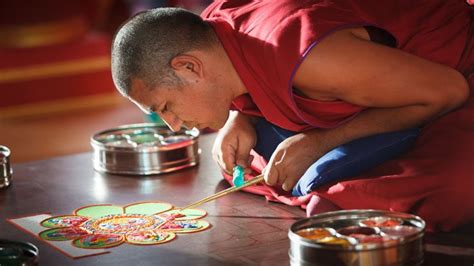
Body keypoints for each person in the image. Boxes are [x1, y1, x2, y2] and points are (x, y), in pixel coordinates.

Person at [111, 1, 473, 230]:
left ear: (189, 67)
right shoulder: (213, 28)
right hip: (372, 81)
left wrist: (320, 141)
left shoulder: (312, 60)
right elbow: (249, 68)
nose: (173, 125)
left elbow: (450, 90)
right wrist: (242, 116)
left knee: (447, 187)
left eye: (166, 108)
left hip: (452, 72)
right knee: (241, 157)